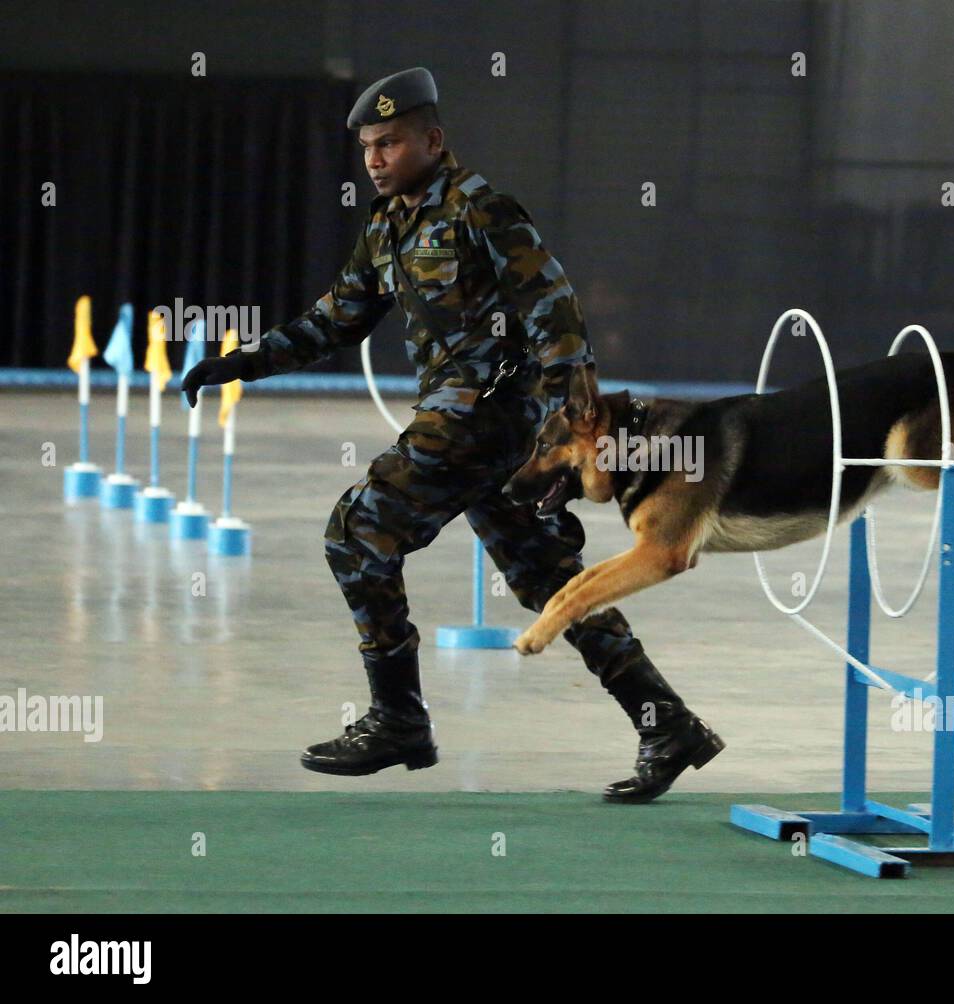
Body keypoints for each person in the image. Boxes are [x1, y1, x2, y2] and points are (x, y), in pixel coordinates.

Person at [182, 67, 723, 802]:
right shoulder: (386, 226)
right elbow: (332, 321)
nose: (375, 158)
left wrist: (577, 398)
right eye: (368, 147)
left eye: (392, 142)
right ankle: (669, 725)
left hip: (487, 418)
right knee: (547, 578)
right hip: (467, 422)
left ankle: (397, 719)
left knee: (357, 531)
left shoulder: (481, 210)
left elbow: (551, 300)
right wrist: (242, 362)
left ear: (433, 140)